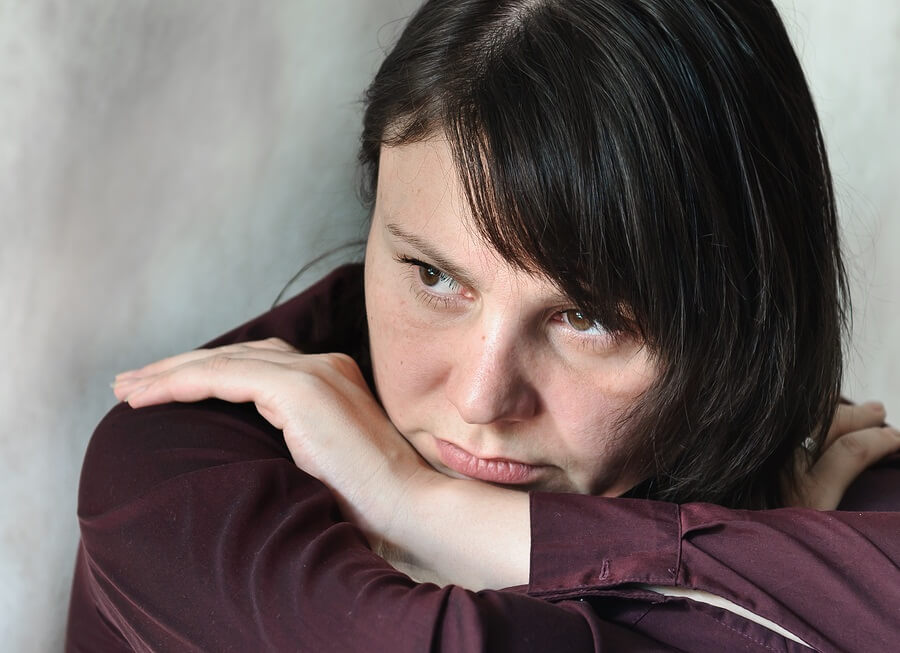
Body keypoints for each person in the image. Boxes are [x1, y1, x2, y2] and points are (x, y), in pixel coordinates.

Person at [66, 0, 900, 651]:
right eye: (434, 277)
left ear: (737, 322)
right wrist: (762, 577)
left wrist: (419, 506)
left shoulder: (822, 462)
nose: (480, 397)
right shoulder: (179, 475)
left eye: (588, 319)